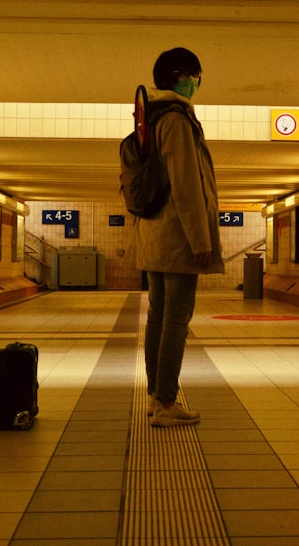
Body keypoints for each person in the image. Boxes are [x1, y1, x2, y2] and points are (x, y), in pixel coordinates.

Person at [129, 47, 224, 427]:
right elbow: (186, 184)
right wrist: (201, 241)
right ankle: (166, 403)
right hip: (176, 235)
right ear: (180, 76)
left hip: (153, 234)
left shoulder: (148, 120)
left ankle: (156, 397)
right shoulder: (177, 120)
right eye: (195, 78)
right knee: (175, 320)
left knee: (158, 316)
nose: (196, 85)